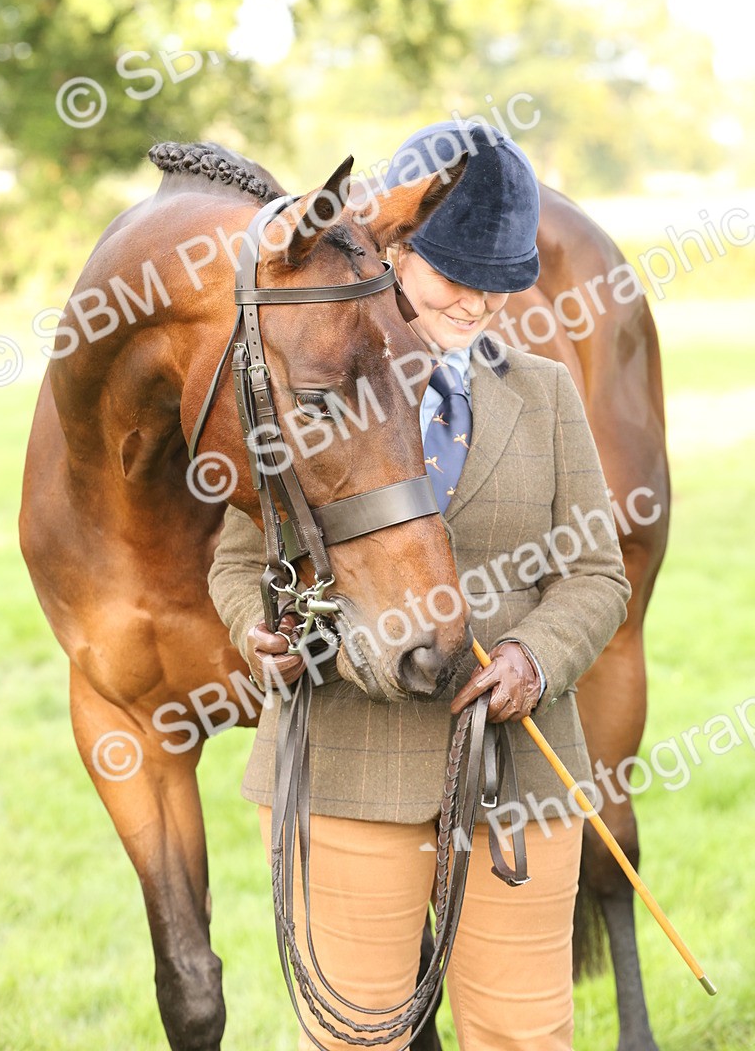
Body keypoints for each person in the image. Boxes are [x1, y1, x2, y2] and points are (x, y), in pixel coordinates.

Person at [208, 120, 631, 1051]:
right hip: (347, 767)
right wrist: (256, 630)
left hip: (518, 777)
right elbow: (239, 562)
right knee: (357, 1041)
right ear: (394, 253)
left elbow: (599, 572)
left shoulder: (548, 393)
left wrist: (533, 657)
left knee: (524, 1035)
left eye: (501, 286)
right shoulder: (313, 386)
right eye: (456, 279)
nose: (480, 306)